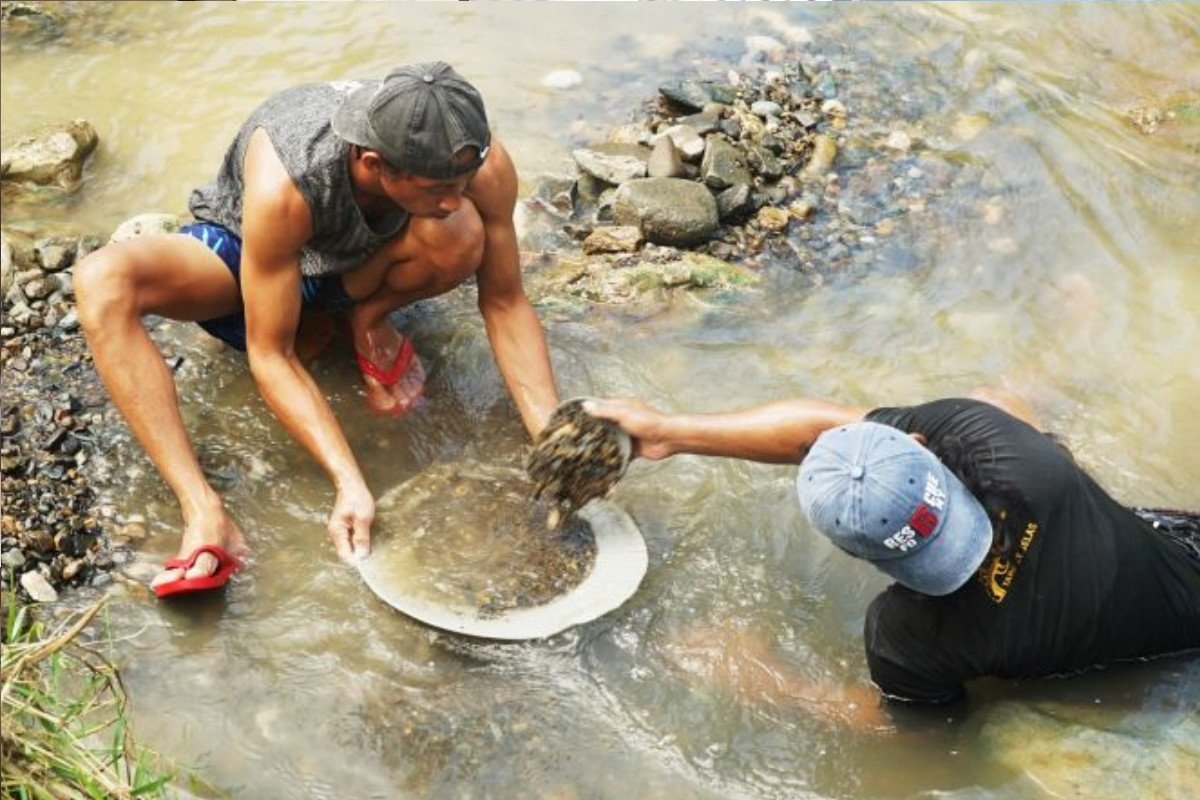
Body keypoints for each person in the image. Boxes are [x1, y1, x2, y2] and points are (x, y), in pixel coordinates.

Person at [75, 63, 559, 597]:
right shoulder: (289, 178)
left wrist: (554, 440)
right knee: (102, 280)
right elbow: (271, 354)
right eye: (439, 187)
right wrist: (349, 482)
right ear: (373, 162)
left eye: (463, 180)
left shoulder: (479, 165)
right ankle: (204, 509)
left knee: (462, 230)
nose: (454, 196)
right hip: (249, 264)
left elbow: (506, 301)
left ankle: (366, 318)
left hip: (357, 269)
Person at [587, 391, 1200, 723]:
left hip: (1114, 676)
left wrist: (763, 678)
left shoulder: (908, 638)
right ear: (920, 447)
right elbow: (827, 430)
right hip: (1178, 577)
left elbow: (899, 728)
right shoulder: (1014, 455)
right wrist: (667, 430)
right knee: (1007, 398)